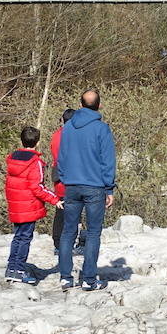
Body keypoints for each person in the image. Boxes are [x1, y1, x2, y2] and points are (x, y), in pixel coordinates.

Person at [56, 89, 117, 291]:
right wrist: (109, 188)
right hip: (95, 187)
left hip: (71, 186)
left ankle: (66, 277)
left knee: (68, 232)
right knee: (92, 233)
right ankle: (88, 279)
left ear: (80, 105)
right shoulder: (102, 128)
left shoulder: (68, 128)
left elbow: (61, 158)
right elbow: (108, 161)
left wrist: (65, 179)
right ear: (99, 106)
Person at [4, 126, 61, 285]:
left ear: (21, 140)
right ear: (38, 142)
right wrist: (55, 199)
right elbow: (38, 187)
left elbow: (9, 184)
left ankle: (11, 268)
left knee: (18, 237)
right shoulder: (35, 162)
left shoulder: (12, 158)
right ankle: (19, 271)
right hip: (28, 205)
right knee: (25, 238)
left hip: (16, 204)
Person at [49, 108, 84, 254]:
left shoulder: (56, 135)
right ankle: (69, 244)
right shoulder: (75, 136)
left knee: (60, 210)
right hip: (73, 177)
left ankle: (58, 243)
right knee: (74, 212)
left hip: (58, 176)